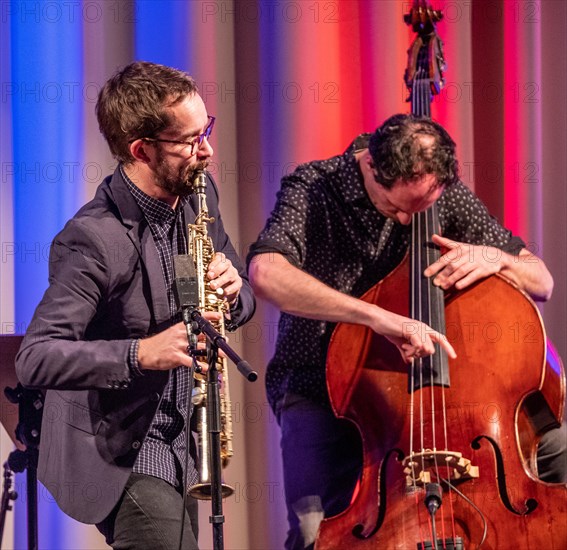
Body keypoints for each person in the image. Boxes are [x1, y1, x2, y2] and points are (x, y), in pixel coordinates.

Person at [247, 114, 566, 549]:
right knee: (312, 533)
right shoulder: (313, 187)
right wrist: (377, 318)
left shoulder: (442, 196)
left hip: (432, 399)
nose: (404, 221)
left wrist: (499, 259)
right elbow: (266, 273)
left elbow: (542, 280)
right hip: (324, 389)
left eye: (417, 209)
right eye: (393, 207)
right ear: (370, 166)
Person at [16, 61, 255, 549]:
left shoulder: (197, 194)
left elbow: (241, 298)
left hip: (183, 437)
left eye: (205, 129)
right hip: (119, 448)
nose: (206, 150)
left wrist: (234, 291)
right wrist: (140, 353)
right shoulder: (92, 239)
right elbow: (35, 356)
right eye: (189, 140)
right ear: (141, 150)